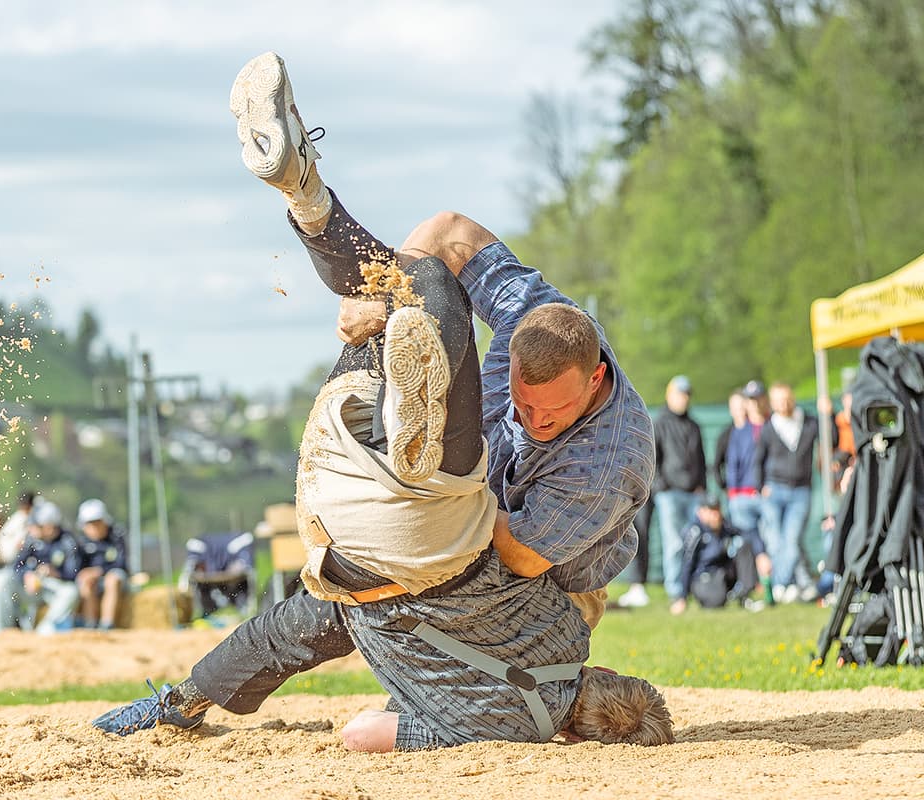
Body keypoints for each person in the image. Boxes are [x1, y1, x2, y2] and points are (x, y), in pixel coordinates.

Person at [93, 50, 658, 742]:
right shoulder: (542, 322)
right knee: (421, 289)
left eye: (552, 415)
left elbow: (523, 559)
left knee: (436, 313)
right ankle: (306, 195)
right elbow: (450, 230)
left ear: (596, 382)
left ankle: (323, 222)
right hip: (398, 541)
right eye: (524, 403)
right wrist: (378, 300)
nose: (534, 423)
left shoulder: (605, 464)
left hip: (485, 533)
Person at [755, 382, 822, 603]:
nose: (784, 404)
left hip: (800, 490)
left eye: (787, 398)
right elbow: (759, 460)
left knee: (792, 541)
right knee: (775, 541)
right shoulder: (769, 428)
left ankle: (780, 585)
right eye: (778, 400)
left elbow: (830, 439)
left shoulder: (810, 422)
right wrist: (760, 486)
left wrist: (828, 414)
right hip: (774, 489)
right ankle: (790, 584)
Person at [652, 375, 706, 604]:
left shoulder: (694, 425)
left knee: (693, 542)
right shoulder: (660, 422)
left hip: (692, 493)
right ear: (669, 394)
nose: (683, 399)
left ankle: (691, 587)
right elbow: (652, 458)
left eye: (686, 395)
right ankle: (675, 590)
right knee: (674, 543)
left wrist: (702, 487)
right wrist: (661, 485)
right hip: (670, 494)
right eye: (679, 394)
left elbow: (701, 459)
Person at [669, 495, 771, 614]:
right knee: (716, 601)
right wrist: (682, 597)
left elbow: (748, 534)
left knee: (745, 547)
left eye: (717, 509)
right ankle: (725, 595)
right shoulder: (695, 532)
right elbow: (687, 564)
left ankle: (744, 595)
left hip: (723, 572)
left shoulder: (725, 526)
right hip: (704, 576)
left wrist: (761, 554)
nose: (715, 515)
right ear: (701, 512)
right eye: (711, 510)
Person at [13, 501, 81, 634]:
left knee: (71, 592)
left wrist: (56, 573)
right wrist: (27, 574)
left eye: (35, 525)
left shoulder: (68, 541)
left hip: (55, 588)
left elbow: (73, 573)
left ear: (49, 527)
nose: (30, 529)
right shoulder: (31, 538)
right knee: (3, 580)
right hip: (31, 586)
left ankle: (44, 630)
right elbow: (16, 565)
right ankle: (1, 630)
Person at [0, 491, 37, 631]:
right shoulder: (16, 522)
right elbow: (6, 552)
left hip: (22, 570)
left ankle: (11, 627)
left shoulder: (32, 520)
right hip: (10, 569)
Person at [74, 499, 129, 630]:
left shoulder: (117, 536)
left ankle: (107, 624)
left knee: (112, 579)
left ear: (105, 521)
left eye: (97, 522)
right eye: (90, 524)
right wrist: (88, 574)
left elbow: (121, 564)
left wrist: (99, 571)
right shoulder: (81, 542)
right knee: (86, 581)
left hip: (115, 579)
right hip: (93, 582)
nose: (94, 527)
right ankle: (90, 624)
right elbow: (77, 568)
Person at [178, 531, 254, 619]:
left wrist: (232, 570)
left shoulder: (240, 543)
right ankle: (208, 612)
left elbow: (244, 567)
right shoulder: (198, 547)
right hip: (210, 576)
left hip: (233, 571)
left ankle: (242, 610)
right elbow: (190, 567)